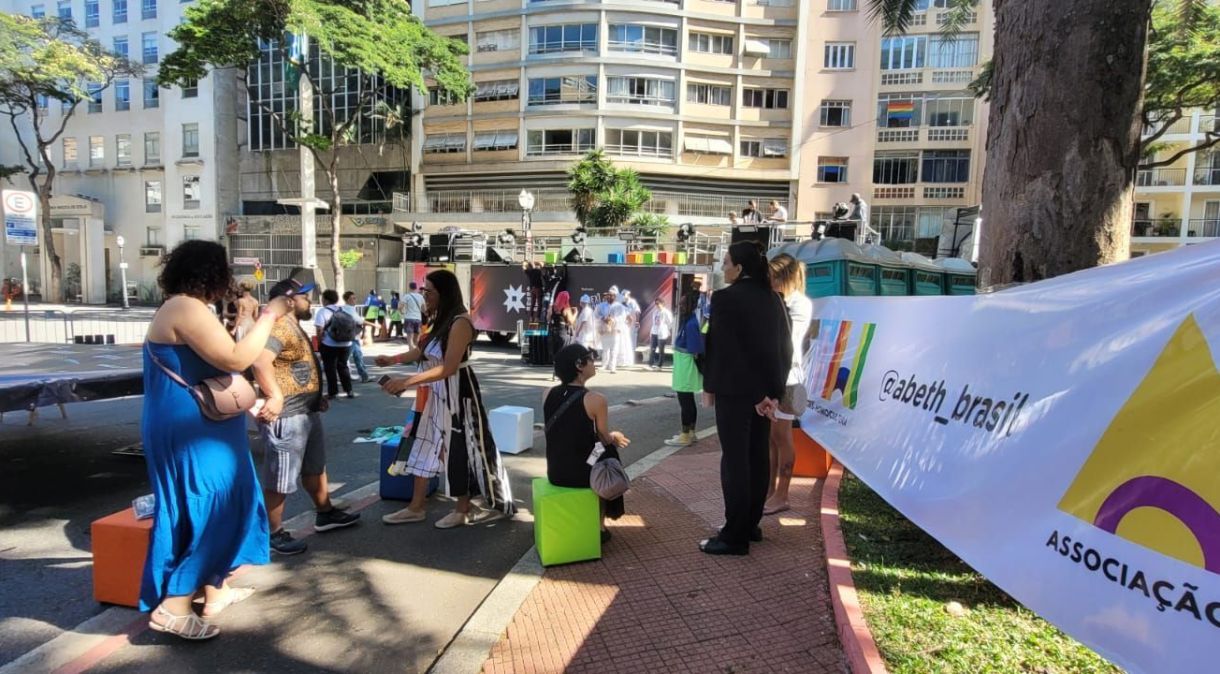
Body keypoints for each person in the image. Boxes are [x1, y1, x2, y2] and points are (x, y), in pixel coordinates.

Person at [140, 240, 294, 640]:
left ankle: (215, 589)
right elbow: (235, 359)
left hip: (200, 425)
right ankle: (173, 607)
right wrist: (269, 315)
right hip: (193, 431)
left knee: (222, 501)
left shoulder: (186, 307)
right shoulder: (184, 308)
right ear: (212, 272)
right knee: (214, 505)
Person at [376, 269, 515, 528]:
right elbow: (423, 351)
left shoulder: (460, 322)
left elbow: (449, 367)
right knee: (420, 442)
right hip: (432, 392)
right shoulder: (442, 318)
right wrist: (392, 360)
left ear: (444, 293)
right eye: (423, 291)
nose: (424, 296)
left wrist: (405, 382)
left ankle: (463, 508)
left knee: (460, 448)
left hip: (457, 391)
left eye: (428, 291)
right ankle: (416, 507)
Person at [252, 278, 360, 556]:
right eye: (304, 297)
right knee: (281, 478)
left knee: (315, 467)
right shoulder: (278, 326)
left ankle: (325, 512)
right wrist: (275, 396)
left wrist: (316, 396)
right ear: (289, 300)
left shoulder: (293, 326)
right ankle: (272, 533)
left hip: (305, 410)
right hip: (287, 414)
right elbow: (260, 361)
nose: (308, 301)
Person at [699, 241, 791, 556]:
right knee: (757, 458)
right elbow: (784, 350)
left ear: (739, 268)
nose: (723, 268)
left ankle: (734, 535)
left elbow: (725, 351)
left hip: (737, 393)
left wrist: (713, 386)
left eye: (726, 263)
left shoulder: (725, 299)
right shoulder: (775, 299)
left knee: (736, 461)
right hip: (765, 396)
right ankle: (750, 525)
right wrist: (772, 395)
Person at [545, 344, 632, 542]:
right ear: (579, 365)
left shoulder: (547, 393)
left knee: (602, 447)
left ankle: (601, 521)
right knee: (608, 450)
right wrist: (615, 437)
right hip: (583, 470)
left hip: (556, 470)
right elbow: (603, 436)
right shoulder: (595, 399)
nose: (595, 362)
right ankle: (600, 524)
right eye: (591, 358)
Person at [763, 254, 813, 516]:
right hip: (776, 375)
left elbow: (787, 340)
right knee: (772, 438)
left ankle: (782, 494)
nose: (768, 282)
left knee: (782, 437)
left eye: (772, 277)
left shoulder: (798, 304)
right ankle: (771, 490)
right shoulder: (780, 301)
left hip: (789, 377)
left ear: (785, 278)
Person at [666, 291, 705, 447]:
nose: (680, 306)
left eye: (683, 304)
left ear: (691, 306)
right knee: (688, 401)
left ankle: (685, 434)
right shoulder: (689, 321)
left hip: (686, 367)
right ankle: (691, 433)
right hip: (684, 365)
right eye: (680, 303)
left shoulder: (691, 324)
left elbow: (696, 350)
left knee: (685, 401)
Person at [314, 290, 358, 400]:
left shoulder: (322, 312)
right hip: (346, 343)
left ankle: (333, 392)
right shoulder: (342, 310)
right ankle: (349, 390)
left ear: (325, 299)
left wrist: (319, 343)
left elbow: (319, 330)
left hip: (329, 344)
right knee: (343, 366)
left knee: (330, 368)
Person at [343, 291, 371, 383]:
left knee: (355, 356)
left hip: (350, 337)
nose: (355, 300)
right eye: (353, 298)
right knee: (356, 356)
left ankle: (364, 376)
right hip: (351, 337)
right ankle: (364, 376)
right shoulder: (349, 309)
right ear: (347, 300)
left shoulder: (347, 308)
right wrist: (374, 325)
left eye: (355, 298)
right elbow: (359, 321)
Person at [599, 291, 625, 374]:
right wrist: (603, 318)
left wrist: (612, 320)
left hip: (615, 330)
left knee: (614, 349)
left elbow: (622, 317)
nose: (609, 297)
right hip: (605, 330)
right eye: (608, 296)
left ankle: (612, 367)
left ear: (614, 297)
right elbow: (596, 315)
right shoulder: (602, 305)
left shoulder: (619, 306)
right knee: (605, 349)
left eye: (611, 296)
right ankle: (604, 365)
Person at [548, 291, 577, 362]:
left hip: (553, 331)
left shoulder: (552, 308)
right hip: (563, 331)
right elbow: (571, 321)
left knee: (556, 351)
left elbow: (548, 318)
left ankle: (556, 366)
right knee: (564, 351)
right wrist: (576, 313)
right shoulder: (566, 309)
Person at [647, 296, 673, 371]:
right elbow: (653, 322)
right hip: (654, 332)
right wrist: (651, 332)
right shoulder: (655, 312)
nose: (657, 305)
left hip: (662, 333)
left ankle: (659, 365)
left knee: (661, 350)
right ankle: (650, 364)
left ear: (662, 303)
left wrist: (667, 330)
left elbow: (670, 323)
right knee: (652, 349)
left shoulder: (666, 312)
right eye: (655, 304)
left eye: (658, 303)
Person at [402, 282, 425, 351]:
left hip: (409, 319)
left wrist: (403, 312)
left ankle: (411, 353)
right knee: (416, 339)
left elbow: (400, 307)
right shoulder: (420, 297)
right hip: (418, 319)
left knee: (410, 339)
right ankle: (414, 354)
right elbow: (424, 309)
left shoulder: (407, 296)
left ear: (409, 287)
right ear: (416, 288)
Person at [621, 290, 641, 368]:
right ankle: (625, 360)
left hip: (632, 326)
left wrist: (637, 321)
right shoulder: (622, 303)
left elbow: (637, 312)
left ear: (628, 295)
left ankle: (631, 361)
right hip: (624, 325)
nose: (624, 298)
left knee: (631, 342)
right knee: (624, 342)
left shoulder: (633, 302)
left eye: (625, 296)